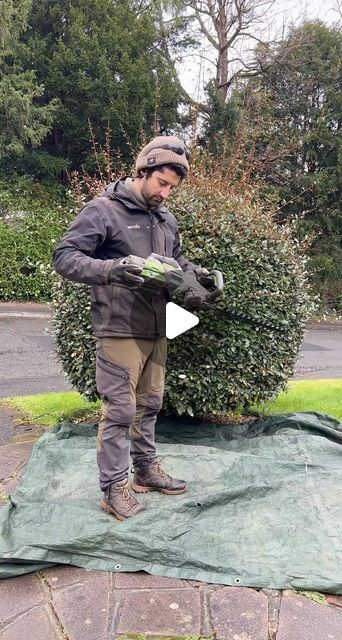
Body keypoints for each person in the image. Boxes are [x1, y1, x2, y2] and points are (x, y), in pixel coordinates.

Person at [53, 135, 214, 521]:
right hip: (119, 328)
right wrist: (111, 269)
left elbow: (174, 261)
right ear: (143, 171)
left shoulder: (165, 219)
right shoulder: (104, 211)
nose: (166, 193)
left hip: (157, 327)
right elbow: (65, 256)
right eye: (162, 183)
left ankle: (145, 469)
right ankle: (113, 488)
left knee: (150, 404)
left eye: (172, 188)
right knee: (121, 410)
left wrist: (197, 277)